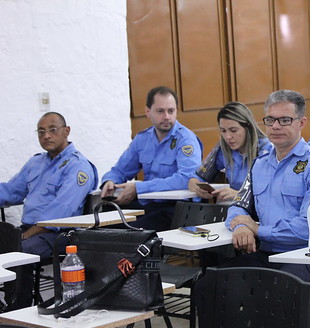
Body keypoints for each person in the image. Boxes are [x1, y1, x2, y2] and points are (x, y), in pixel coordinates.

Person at [195, 89, 310, 328]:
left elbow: (307, 230)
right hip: (268, 254)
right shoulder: (261, 164)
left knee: (271, 293)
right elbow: (240, 204)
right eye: (270, 120)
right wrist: (239, 226)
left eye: (284, 120)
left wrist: (257, 229)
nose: (275, 126)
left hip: (309, 259)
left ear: (302, 122)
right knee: (209, 284)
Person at [0, 112, 98, 308]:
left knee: (19, 251)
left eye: (53, 130)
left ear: (66, 131)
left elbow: (62, 210)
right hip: (29, 231)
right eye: (41, 132)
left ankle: (18, 310)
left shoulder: (78, 167)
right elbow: (11, 191)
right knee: (13, 245)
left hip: (59, 235)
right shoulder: (36, 162)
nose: (46, 136)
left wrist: (28, 234)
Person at [100, 86, 202, 231]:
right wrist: (110, 181)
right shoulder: (142, 139)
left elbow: (186, 179)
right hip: (148, 205)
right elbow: (120, 170)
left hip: (177, 208)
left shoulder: (186, 140)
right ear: (148, 112)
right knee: (103, 221)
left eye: (171, 111)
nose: (167, 117)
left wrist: (138, 188)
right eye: (160, 111)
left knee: (130, 230)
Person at [188, 102, 271, 203]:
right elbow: (196, 177)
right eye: (223, 131)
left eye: (233, 130)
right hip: (235, 209)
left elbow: (271, 193)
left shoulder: (266, 149)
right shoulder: (223, 148)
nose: (228, 137)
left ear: (248, 128)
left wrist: (238, 194)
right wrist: (197, 187)